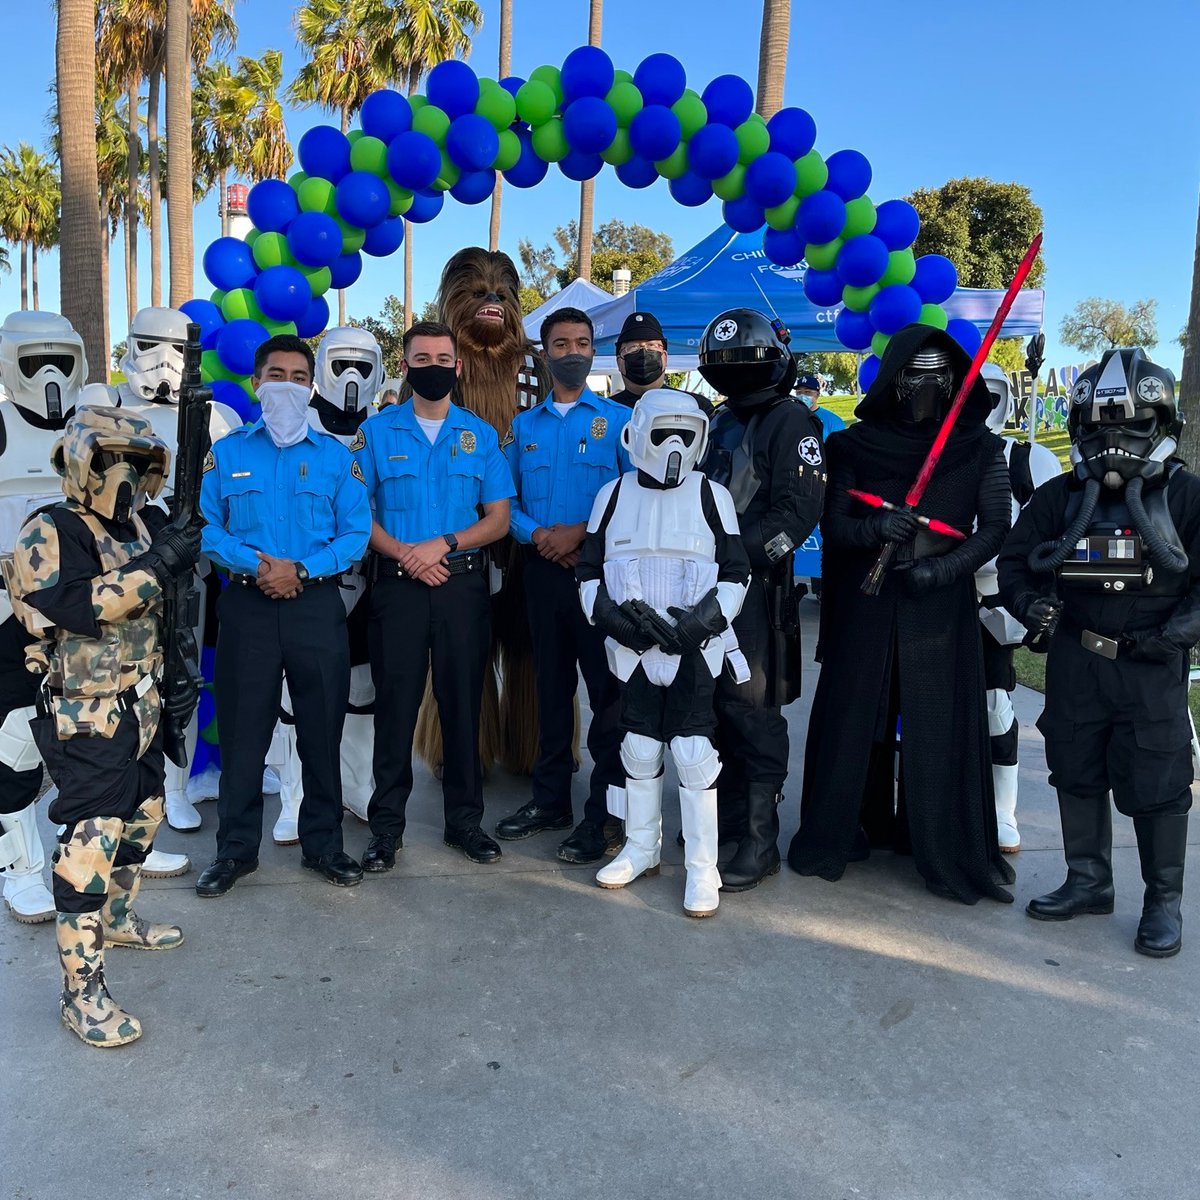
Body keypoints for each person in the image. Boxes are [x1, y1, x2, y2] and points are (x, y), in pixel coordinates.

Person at [787, 325, 1015, 905]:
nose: (928, 388)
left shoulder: (978, 448)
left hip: (938, 609)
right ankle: (847, 827)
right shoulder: (854, 447)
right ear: (893, 379)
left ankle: (939, 838)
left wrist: (944, 569)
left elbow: (993, 527)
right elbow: (834, 526)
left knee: (938, 723)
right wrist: (874, 528)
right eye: (916, 376)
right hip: (866, 607)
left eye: (942, 377)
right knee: (855, 719)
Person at [2, 406, 200, 1046]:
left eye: (141, 466)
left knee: (143, 817)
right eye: (116, 462)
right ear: (84, 463)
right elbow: (64, 609)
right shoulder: (48, 531)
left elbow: (165, 612)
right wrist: (157, 567)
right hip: (82, 709)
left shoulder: (144, 525)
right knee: (92, 840)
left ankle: (117, 916)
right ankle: (80, 992)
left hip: (142, 701)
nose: (129, 478)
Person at [999, 348, 1199, 958]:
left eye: (1133, 427)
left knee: (1159, 781)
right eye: (1100, 427)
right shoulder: (1061, 495)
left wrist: (1178, 634)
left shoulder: (1188, 497)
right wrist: (1029, 606)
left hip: (1150, 664)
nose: (1114, 440)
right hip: (1076, 660)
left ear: (1163, 425)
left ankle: (1163, 901)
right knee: (1075, 768)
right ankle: (1088, 880)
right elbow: (1014, 562)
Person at [195, 334, 371, 897]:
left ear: (312, 386)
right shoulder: (227, 454)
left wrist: (302, 568)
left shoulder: (336, 459)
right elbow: (207, 526)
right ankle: (235, 853)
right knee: (245, 739)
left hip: (316, 606)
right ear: (256, 383)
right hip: (246, 605)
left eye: (299, 377)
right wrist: (259, 564)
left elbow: (356, 533)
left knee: (321, 732)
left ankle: (324, 846)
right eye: (276, 375)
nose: (287, 387)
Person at [579, 389, 750, 916]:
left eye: (685, 435)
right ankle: (640, 845)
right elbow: (587, 572)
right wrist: (612, 618)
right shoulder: (610, 495)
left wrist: (700, 624)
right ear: (636, 437)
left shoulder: (711, 497)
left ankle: (703, 866)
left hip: (693, 650)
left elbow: (737, 572)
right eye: (662, 434)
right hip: (631, 650)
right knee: (638, 749)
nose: (674, 446)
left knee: (695, 756)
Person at [354, 321, 514, 870]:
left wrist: (441, 544)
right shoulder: (376, 434)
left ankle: (465, 824)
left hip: (461, 588)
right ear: (405, 366)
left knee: (463, 707)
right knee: (394, 712)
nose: (434, 366)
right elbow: (359, 515)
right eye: (422, 358)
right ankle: (386, 831)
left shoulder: (480, 435)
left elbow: (497, 520)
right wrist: (406, 555)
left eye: (444, 358)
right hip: (397, 588)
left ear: (458, 367)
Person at [82, 306, 240, 840]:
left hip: (189, 566)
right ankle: (117, 790)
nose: (163, 363)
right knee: (114, 677)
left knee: (180, 672)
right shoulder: (103, 404)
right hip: (117, 563)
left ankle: (172, 787)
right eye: (150, 345)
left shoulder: (216, 417)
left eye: (176, 350)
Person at [696, 308, 825, 892]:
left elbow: (798, 512)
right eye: (722, 363)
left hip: (756, 590)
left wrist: (739, 559)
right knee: (714, 708)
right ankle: (722, 821)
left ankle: (759, 838)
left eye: (743, 360)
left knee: (754, 713)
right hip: (705, 585)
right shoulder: (716, 420)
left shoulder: (791, 420)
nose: (734, 372)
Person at [495, 307, 630, 863]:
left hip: (602, 578)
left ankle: (607, 813)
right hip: (543, 576)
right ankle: (550, 801)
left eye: (581, 342)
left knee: (608, 695)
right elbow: (506, 501)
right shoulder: (522, 428)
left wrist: (581, 534)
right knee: (550, 691)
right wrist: (539, 535)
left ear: (593, 350)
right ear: (544, 352)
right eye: (560, 343)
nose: (571, 352)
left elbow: (633, 493)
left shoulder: (620, 420)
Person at [269, 327, 384, 842]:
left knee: (362, 689)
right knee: (299, 694)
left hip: (369, 577)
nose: (353, 377)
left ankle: (356, 787)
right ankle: (296, 798)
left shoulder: (386, 429)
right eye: (343, 365)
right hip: (305, 581)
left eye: (365, 365)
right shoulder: (289, 426)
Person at [0, 311, 87, 924]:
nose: (51, 375)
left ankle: (103, 849)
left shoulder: (94, 425)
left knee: (103, 733)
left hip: (88, 612)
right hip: (9, 614)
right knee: (14, 735)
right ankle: (21, 863)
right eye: (36, 362)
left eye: (61, 359)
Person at [974, 363, 1061, 852]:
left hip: (996, 600)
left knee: (995, 705)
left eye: (992, 395)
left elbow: (1047, 537)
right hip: (938, 598)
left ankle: (1003, 812)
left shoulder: (1029, 460)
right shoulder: (938, 455)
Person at [610, 310, 713, 417]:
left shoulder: (696, 406)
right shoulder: (607, 412)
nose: (644, 352)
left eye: (652, 346)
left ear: (664, 357)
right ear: (619, 361)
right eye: (633, 347)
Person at [793, 373, 845, 438]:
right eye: (799, 392)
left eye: (807, 392)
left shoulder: (833, 420)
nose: (802, 396)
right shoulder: (791, 417)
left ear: (817, 395)